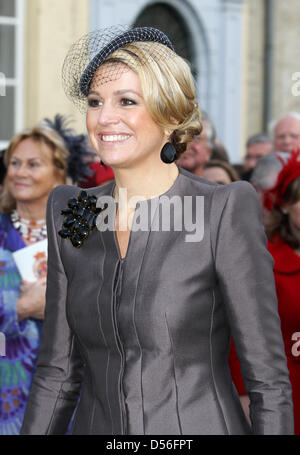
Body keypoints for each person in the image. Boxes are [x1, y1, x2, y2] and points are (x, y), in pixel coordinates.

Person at [20, 26, 293, 435]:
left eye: (126, 101)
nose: (104, 117)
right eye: (95, 102)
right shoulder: (72, 210)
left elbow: (268, 380)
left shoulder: (221, 210)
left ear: (170, 117)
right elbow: (57, 373)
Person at [0, 116, 91, 435]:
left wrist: (61, 304)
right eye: (15, 162)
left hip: (74, 396)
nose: (20, 172)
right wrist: (20, 309)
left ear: (60, 173)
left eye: (33, 164)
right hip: (7, 395)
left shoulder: (86, 233)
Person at [229, 150, 300, 434]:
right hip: (285, 398)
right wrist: (246, 399)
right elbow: (239, 336)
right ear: (285, 205)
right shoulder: (265, 259)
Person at [177, 111, 216, 176]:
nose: (187, 145)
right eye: (182, 136)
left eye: (196, 139)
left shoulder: (215, 184)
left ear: (209, 152)